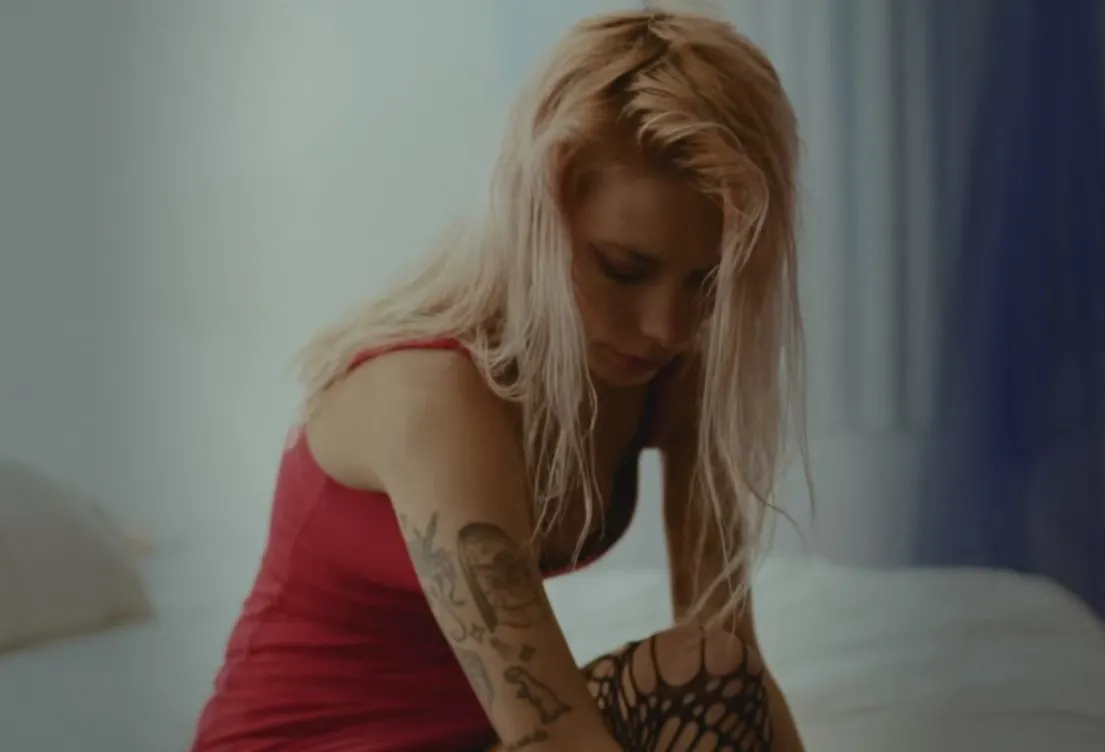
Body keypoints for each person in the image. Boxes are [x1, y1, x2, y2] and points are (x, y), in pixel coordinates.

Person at [193, 6, 806, 751]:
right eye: (623, 269)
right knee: (703, 681)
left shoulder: (669, 368)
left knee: (715, 673)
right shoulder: (432, 397)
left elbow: (733, 649)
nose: (668, 327)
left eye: (706, 282)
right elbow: (555, 739)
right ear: (537, 210)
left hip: (479, 738)